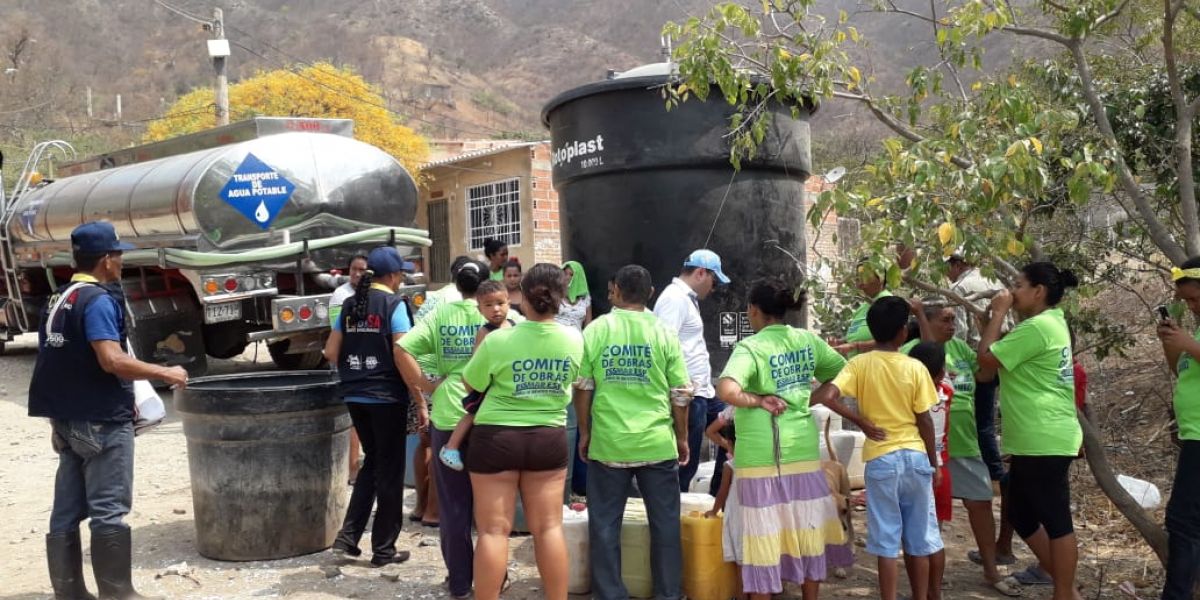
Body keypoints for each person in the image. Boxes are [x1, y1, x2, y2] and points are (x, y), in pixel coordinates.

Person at [30, 221, 189, 600]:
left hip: (67, 420)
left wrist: (58, 422)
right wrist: (166, 371)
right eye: (119, 254)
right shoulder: (98, 300)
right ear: (106, 260)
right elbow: (111, 359)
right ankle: (117, 593)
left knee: (66, 511)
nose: (121, 261)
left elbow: (53, 361)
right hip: (101, 420)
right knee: (108, 510)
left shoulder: (59, 298)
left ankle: (69, 592)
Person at [716, 277, 851, 600]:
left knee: (763, 541)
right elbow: (844, 372)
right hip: (802, 451)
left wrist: (758, 400)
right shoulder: (807, 340)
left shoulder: (751, 347)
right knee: (807, 533)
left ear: (753, 311)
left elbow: (727, 390)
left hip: (761, 458)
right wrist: (810, 398)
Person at [462, 263, 583, 600]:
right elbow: (575, 380)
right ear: (561, 297)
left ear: (523, 297)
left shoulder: (499, 339)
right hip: (548, 437)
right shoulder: (574, 339)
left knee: (492, 531)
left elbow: (471, 381)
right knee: (548, 528)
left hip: (495, 439)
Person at [811, 295, 943, 600]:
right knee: (920, 540)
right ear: (902, 332)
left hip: (881, 460)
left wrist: (862, 422)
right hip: (914, 456)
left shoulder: (858, 364)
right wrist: (933, 464)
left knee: (886, 542)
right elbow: (924, 421)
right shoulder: (915, 368)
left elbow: (828, 397)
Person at [573, 265, 691, 600]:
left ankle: (611, 594)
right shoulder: (663, 333)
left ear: (615, 290)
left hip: (609, 444)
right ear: (650, 294)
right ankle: (668, 594)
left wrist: (585, 431)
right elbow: (681, 392)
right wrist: (681, 436)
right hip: (656, 442)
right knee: (665, 523)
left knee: (605, 524)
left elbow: (582, 387)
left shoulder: (596, 330)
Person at [977, 262, 1082, 600]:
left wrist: (999, 312)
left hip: (1045, 436)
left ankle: (1064, 592)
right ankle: (1065, 585)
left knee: (1056, 519)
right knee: (1021, 514)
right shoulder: (1047, 324)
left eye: (1019, 285)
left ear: (1038, 291)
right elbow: (993, 363)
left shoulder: (1037, 327)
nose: (1013, 291)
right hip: (1035, 438)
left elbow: (986, 359)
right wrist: (993, 321)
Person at [907, 300, 1019, 596]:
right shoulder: (912, 353)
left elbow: (984, 374)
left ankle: (991, 569)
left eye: (954, 319)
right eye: (945, 319)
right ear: (925, 322)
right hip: (929, 445)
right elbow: (930, 363)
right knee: (933, 512)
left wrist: (991, 330)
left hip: (965, 440)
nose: (952, 325)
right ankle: (932, 579)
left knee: (980, 501)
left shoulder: (959, 348)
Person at [395, 260, 491, 599]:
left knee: (453, 506)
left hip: (449, 415)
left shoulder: (440, 315)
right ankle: (493, 579)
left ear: (454, 283)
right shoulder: (498, 313)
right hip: (491, 417)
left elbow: (402, 347)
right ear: (485, 284)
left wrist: (425, 384)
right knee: (493, 508)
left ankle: (460, 582)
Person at [325, 246, 422, 567]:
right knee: (390, 472)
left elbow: (330, 352)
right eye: (402, 274)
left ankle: (348, 538)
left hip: (355, 396)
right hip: (386, 398)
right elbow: (401, 354)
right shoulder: (395, 305)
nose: (402, 280)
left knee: (373, 463)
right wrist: (421, 396)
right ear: (393, 276)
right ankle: (384, 549)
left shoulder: (350, 304)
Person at [654, 249, 731, 493]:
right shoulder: (674, 299)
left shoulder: (686, 299)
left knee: (731, 429)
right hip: (690, 394)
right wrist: (679, 390)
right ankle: (676, 511)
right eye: (714, 281)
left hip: (704, 392)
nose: (714, 288)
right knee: (686, 461)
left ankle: (718, 494)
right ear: (701, 273)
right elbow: (663, 346)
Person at [1156, 258, 1200, 599]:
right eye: (1186, 301)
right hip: (1192, 435)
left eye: (1195, 299)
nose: (1191, 306)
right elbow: (1182, 372)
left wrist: (1188, 344)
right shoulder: (1195, 331)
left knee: (1182, 523)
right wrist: (1172, 346)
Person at [437, 280, 516, 470]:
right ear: (480, 310)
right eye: (488, 305)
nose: (495, 309)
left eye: (500, 303)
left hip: (504, 381)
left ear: (509, 304)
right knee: (473, 411)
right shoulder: (485, 331)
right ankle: (451, 446)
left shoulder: (515, 324)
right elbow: (477, 361)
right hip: (486, 383)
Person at [947, 253, 1010, 484]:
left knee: (979, 421)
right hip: (1004, 355)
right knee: (991, 420)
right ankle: (995, 474)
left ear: (957, 264)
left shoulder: (960, 287)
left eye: (948, 267)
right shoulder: (996, 282)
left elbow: (958, 332)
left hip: (975, 358)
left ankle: (994, 476)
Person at [905, 341, 951, 600]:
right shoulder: (946, 392)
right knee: (933, 537)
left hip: (923, 468)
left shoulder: (911, 396)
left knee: (917, 539)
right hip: (941, 466)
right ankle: (934, 593)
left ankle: (921, 594)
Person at [832, 263, 893, 357]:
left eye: (865, 278)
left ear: (881, 278)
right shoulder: (864, 307)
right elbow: (858, 335)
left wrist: (856, 346)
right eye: (857, 279)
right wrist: (843, 342)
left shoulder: (888, 303)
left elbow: (893, 340)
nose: (860, 285)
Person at [558, 260, 593, 330]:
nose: (567, 277)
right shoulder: (555, 294)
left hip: (577, 339)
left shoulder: (585, 298)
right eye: (565, 274)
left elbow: (588, 324)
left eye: (571, 275)